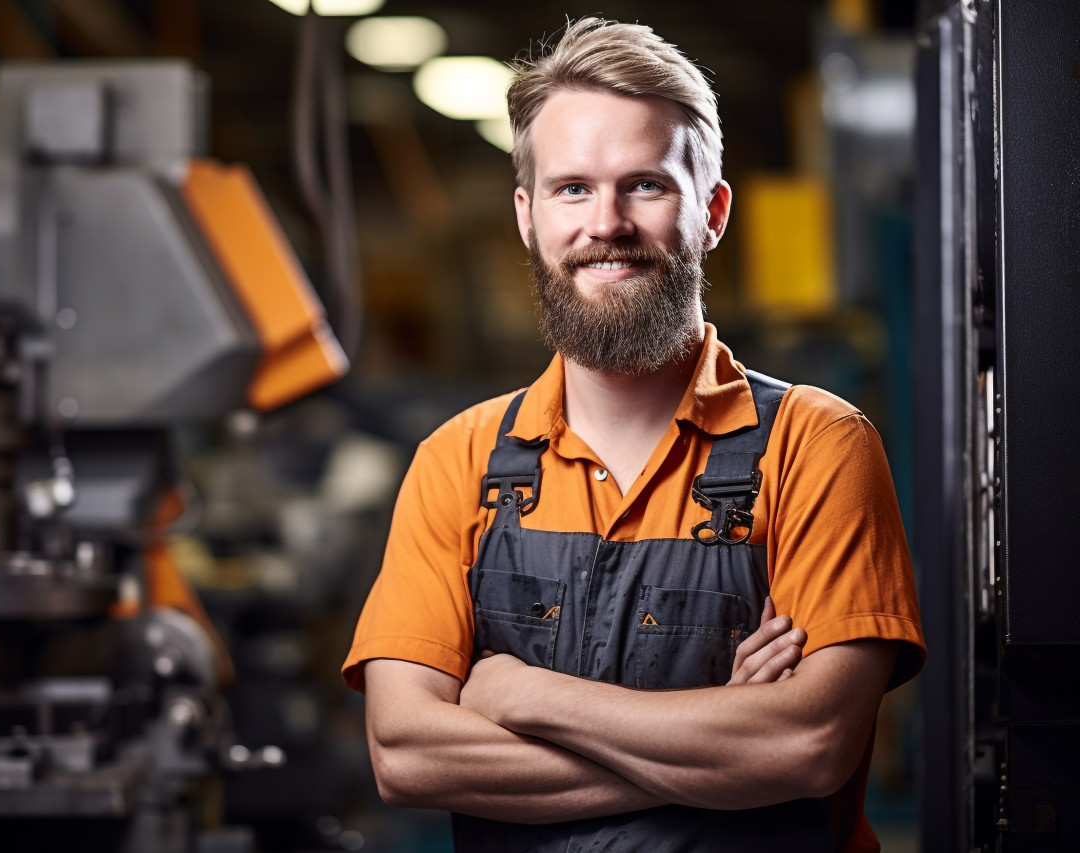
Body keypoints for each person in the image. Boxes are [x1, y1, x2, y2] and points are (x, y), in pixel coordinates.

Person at [341, 17, 924, 853]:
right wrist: (724, 742)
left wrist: (522, 696)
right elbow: (405, 755)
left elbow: (808, 744)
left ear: (712, 211)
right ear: (527, 215)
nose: (604, 222)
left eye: (645, 185)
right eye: (571, 187)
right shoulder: (459, 460)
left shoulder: (817, 445)